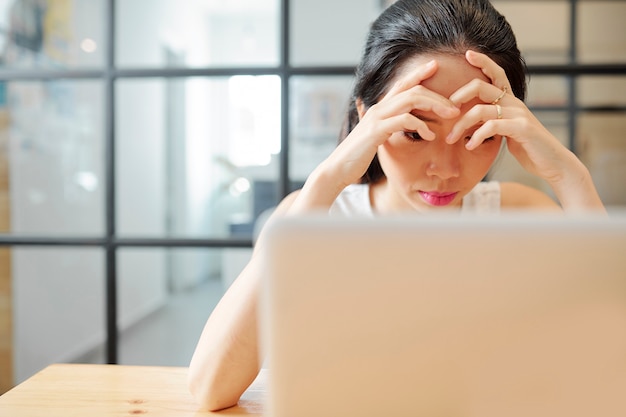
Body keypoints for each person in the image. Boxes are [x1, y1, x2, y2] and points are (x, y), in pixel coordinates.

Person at [188, 0, 605, 410]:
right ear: (366, 116)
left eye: (475, 133)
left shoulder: (520, 217)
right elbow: (211, 388)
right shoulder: (313, 217)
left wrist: (570, 176)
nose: (445, 169)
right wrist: (326, 182)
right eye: (416, 131)